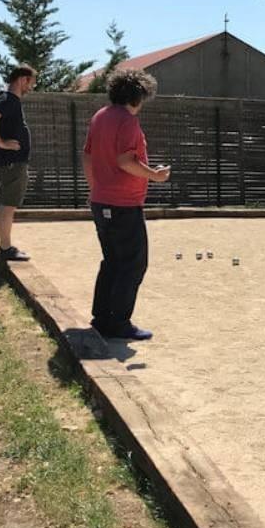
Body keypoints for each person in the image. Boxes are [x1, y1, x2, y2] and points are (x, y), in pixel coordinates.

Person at [81, 68, 171, 341]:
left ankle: (102, 319)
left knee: (112, 262)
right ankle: (119, 323)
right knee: (133, 264)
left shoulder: (100, 117)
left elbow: (87, 157)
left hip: (101, 201)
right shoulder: (127, 122)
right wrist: (155, 175)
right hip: (124, 205)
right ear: (138, 95)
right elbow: (125, 161)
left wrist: (95, 188)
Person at [0, 65, 37, 260]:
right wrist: (1, 143)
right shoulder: (9, 100)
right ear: (23, 79)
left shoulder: (7, 99)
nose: (31, 87)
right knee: (8, 204)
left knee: (8, 204)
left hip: (13, 162)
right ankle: (5, 249)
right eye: (31, 82)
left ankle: (5, 247)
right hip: (13, 162)